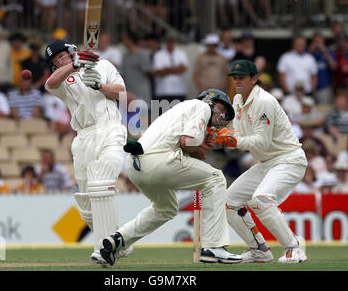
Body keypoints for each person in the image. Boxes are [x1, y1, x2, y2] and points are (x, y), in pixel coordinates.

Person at [99, 89, 242, 266]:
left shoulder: (182, 110)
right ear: (210, 101)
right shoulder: (202, 107)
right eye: (222, 108)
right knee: (216, 179)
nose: (223, 115)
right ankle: (214, 247)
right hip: (158, 161)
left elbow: (183, 143)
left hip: (136, 165)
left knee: (166, 208)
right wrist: (199, 149)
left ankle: (117, 241)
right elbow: (187, 142)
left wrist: (200, 145)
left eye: (226, 113)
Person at [44, 39, 129, 264]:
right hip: (83, 137)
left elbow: (121, 93)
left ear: (71, 50)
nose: (59, 61)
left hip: (110, 128)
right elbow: (50, 83)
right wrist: (73, 66)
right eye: (55, 61)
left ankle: (103, 249)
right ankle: (118, 239)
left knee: (101, 183)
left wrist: (99, 85)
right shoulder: (62, 79)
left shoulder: (104, 65)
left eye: (61, 56)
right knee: (86, 204)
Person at [224, 59, 308, 263]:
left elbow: (260, 142)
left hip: (288, 160)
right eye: (235, 78)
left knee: (261, 199)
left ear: (254, 79)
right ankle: (259, 249)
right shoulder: (237, 100)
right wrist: (219, 136)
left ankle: (294, 248)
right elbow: (238, 135)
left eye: (241, 77)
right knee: (228, 202)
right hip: (265, 164)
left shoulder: (264, 101)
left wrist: (229, 139)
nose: (237, 81)